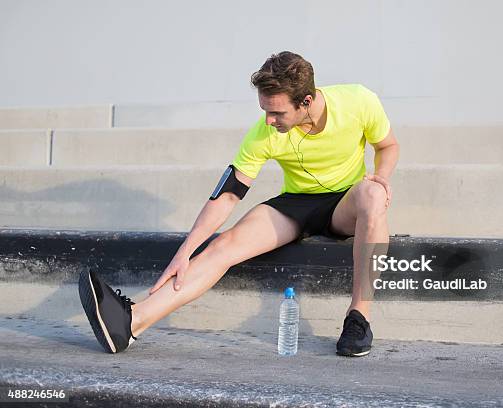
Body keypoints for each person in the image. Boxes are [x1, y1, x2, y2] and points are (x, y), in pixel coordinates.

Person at [78, 51, 399, 357]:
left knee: (373, 195)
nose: (269, 120)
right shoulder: (264, 132)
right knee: (225, 244)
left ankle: (358, 318)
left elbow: (388, 146)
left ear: (307, 102)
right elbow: (228, 195)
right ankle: (129, 322)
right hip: (296, 204)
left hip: (345, 201)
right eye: (265, 111)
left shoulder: (358, 101)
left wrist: (381, 177)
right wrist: (186, 250)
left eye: (277, 112)